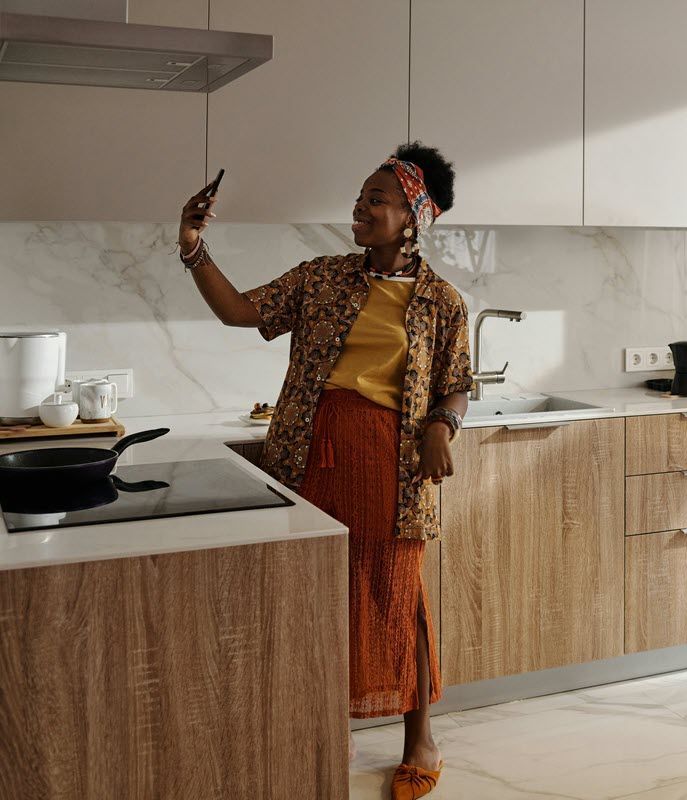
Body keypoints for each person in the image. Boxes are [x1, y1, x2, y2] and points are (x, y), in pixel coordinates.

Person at [178, 142, 472, 800]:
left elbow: (457, 385)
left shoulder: (441, 302)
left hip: (394, 472)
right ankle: (321, 727)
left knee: (399, 599)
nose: (359, 208)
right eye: (360, 197)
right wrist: (194, 248)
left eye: (376, 199)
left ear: (414, 216)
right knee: (317, 598)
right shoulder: (322, 277)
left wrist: (438, 426)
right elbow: (241, 311)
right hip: (309, 459)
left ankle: (419, 738)